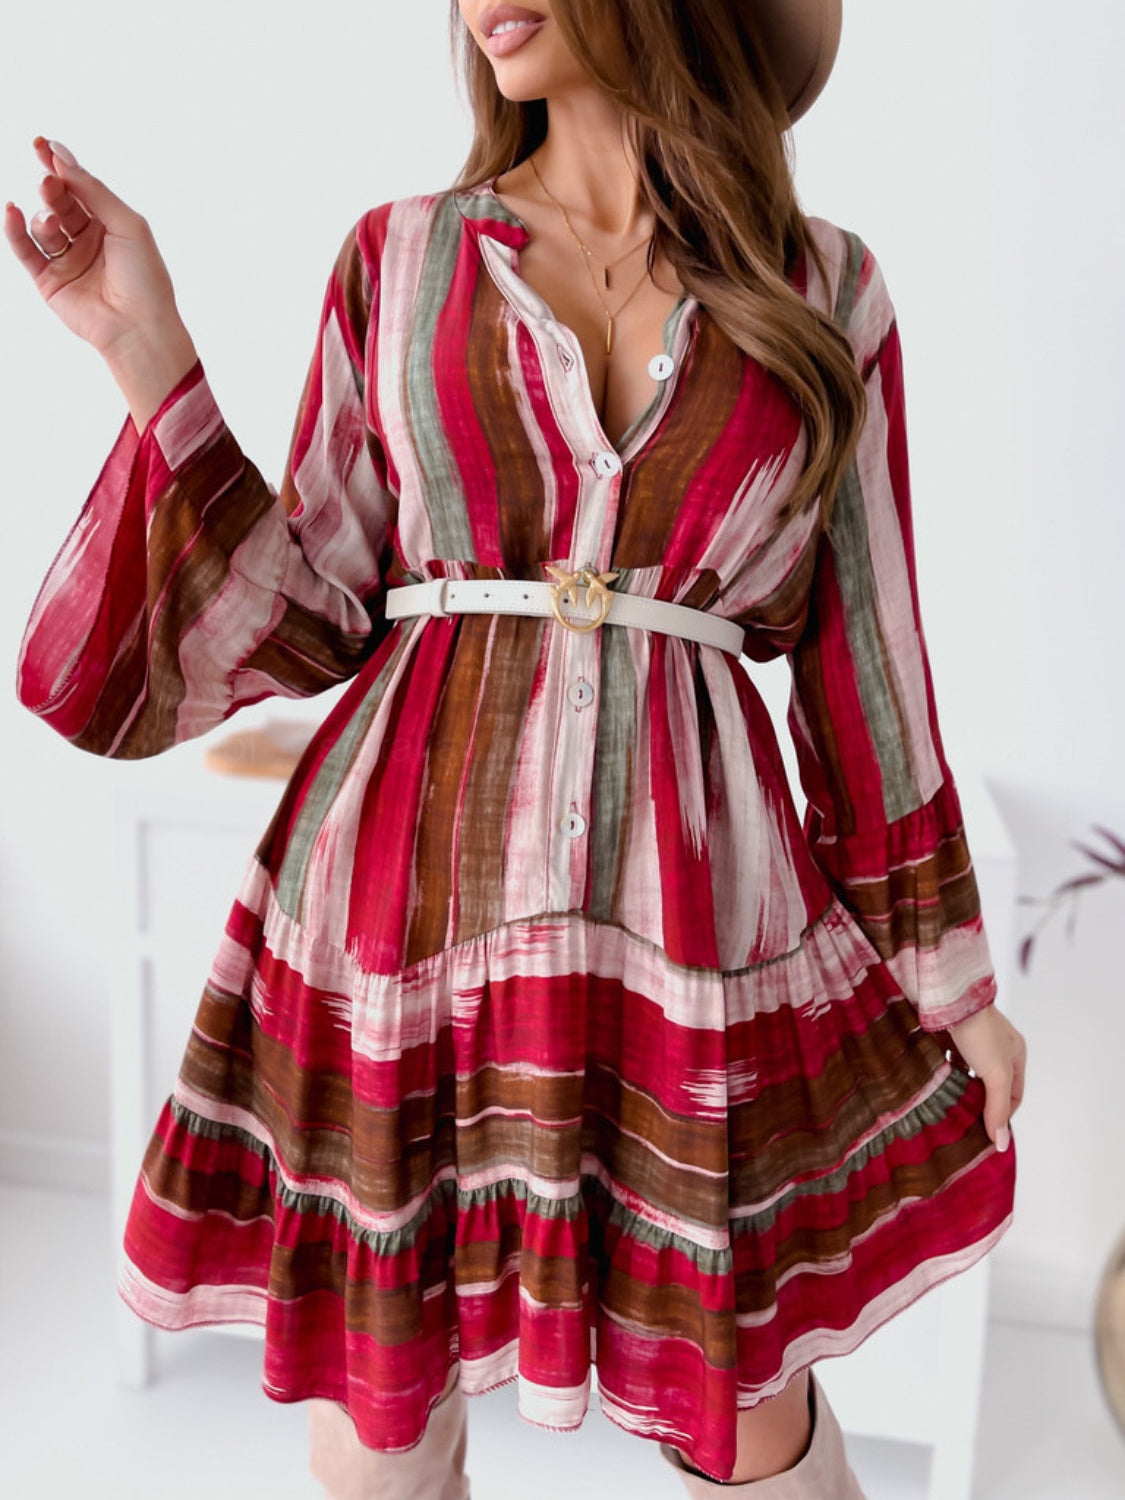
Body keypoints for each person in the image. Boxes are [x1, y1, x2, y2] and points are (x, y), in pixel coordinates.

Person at [5, 0, 1027, 1494]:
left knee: (747, 1410)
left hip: (689, 929)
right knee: (381, 1416)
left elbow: (865, 664)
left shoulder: (824, 291)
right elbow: (313, 612)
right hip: (401, 908)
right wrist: (143, 348)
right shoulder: (399, 257)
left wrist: (951, 979)